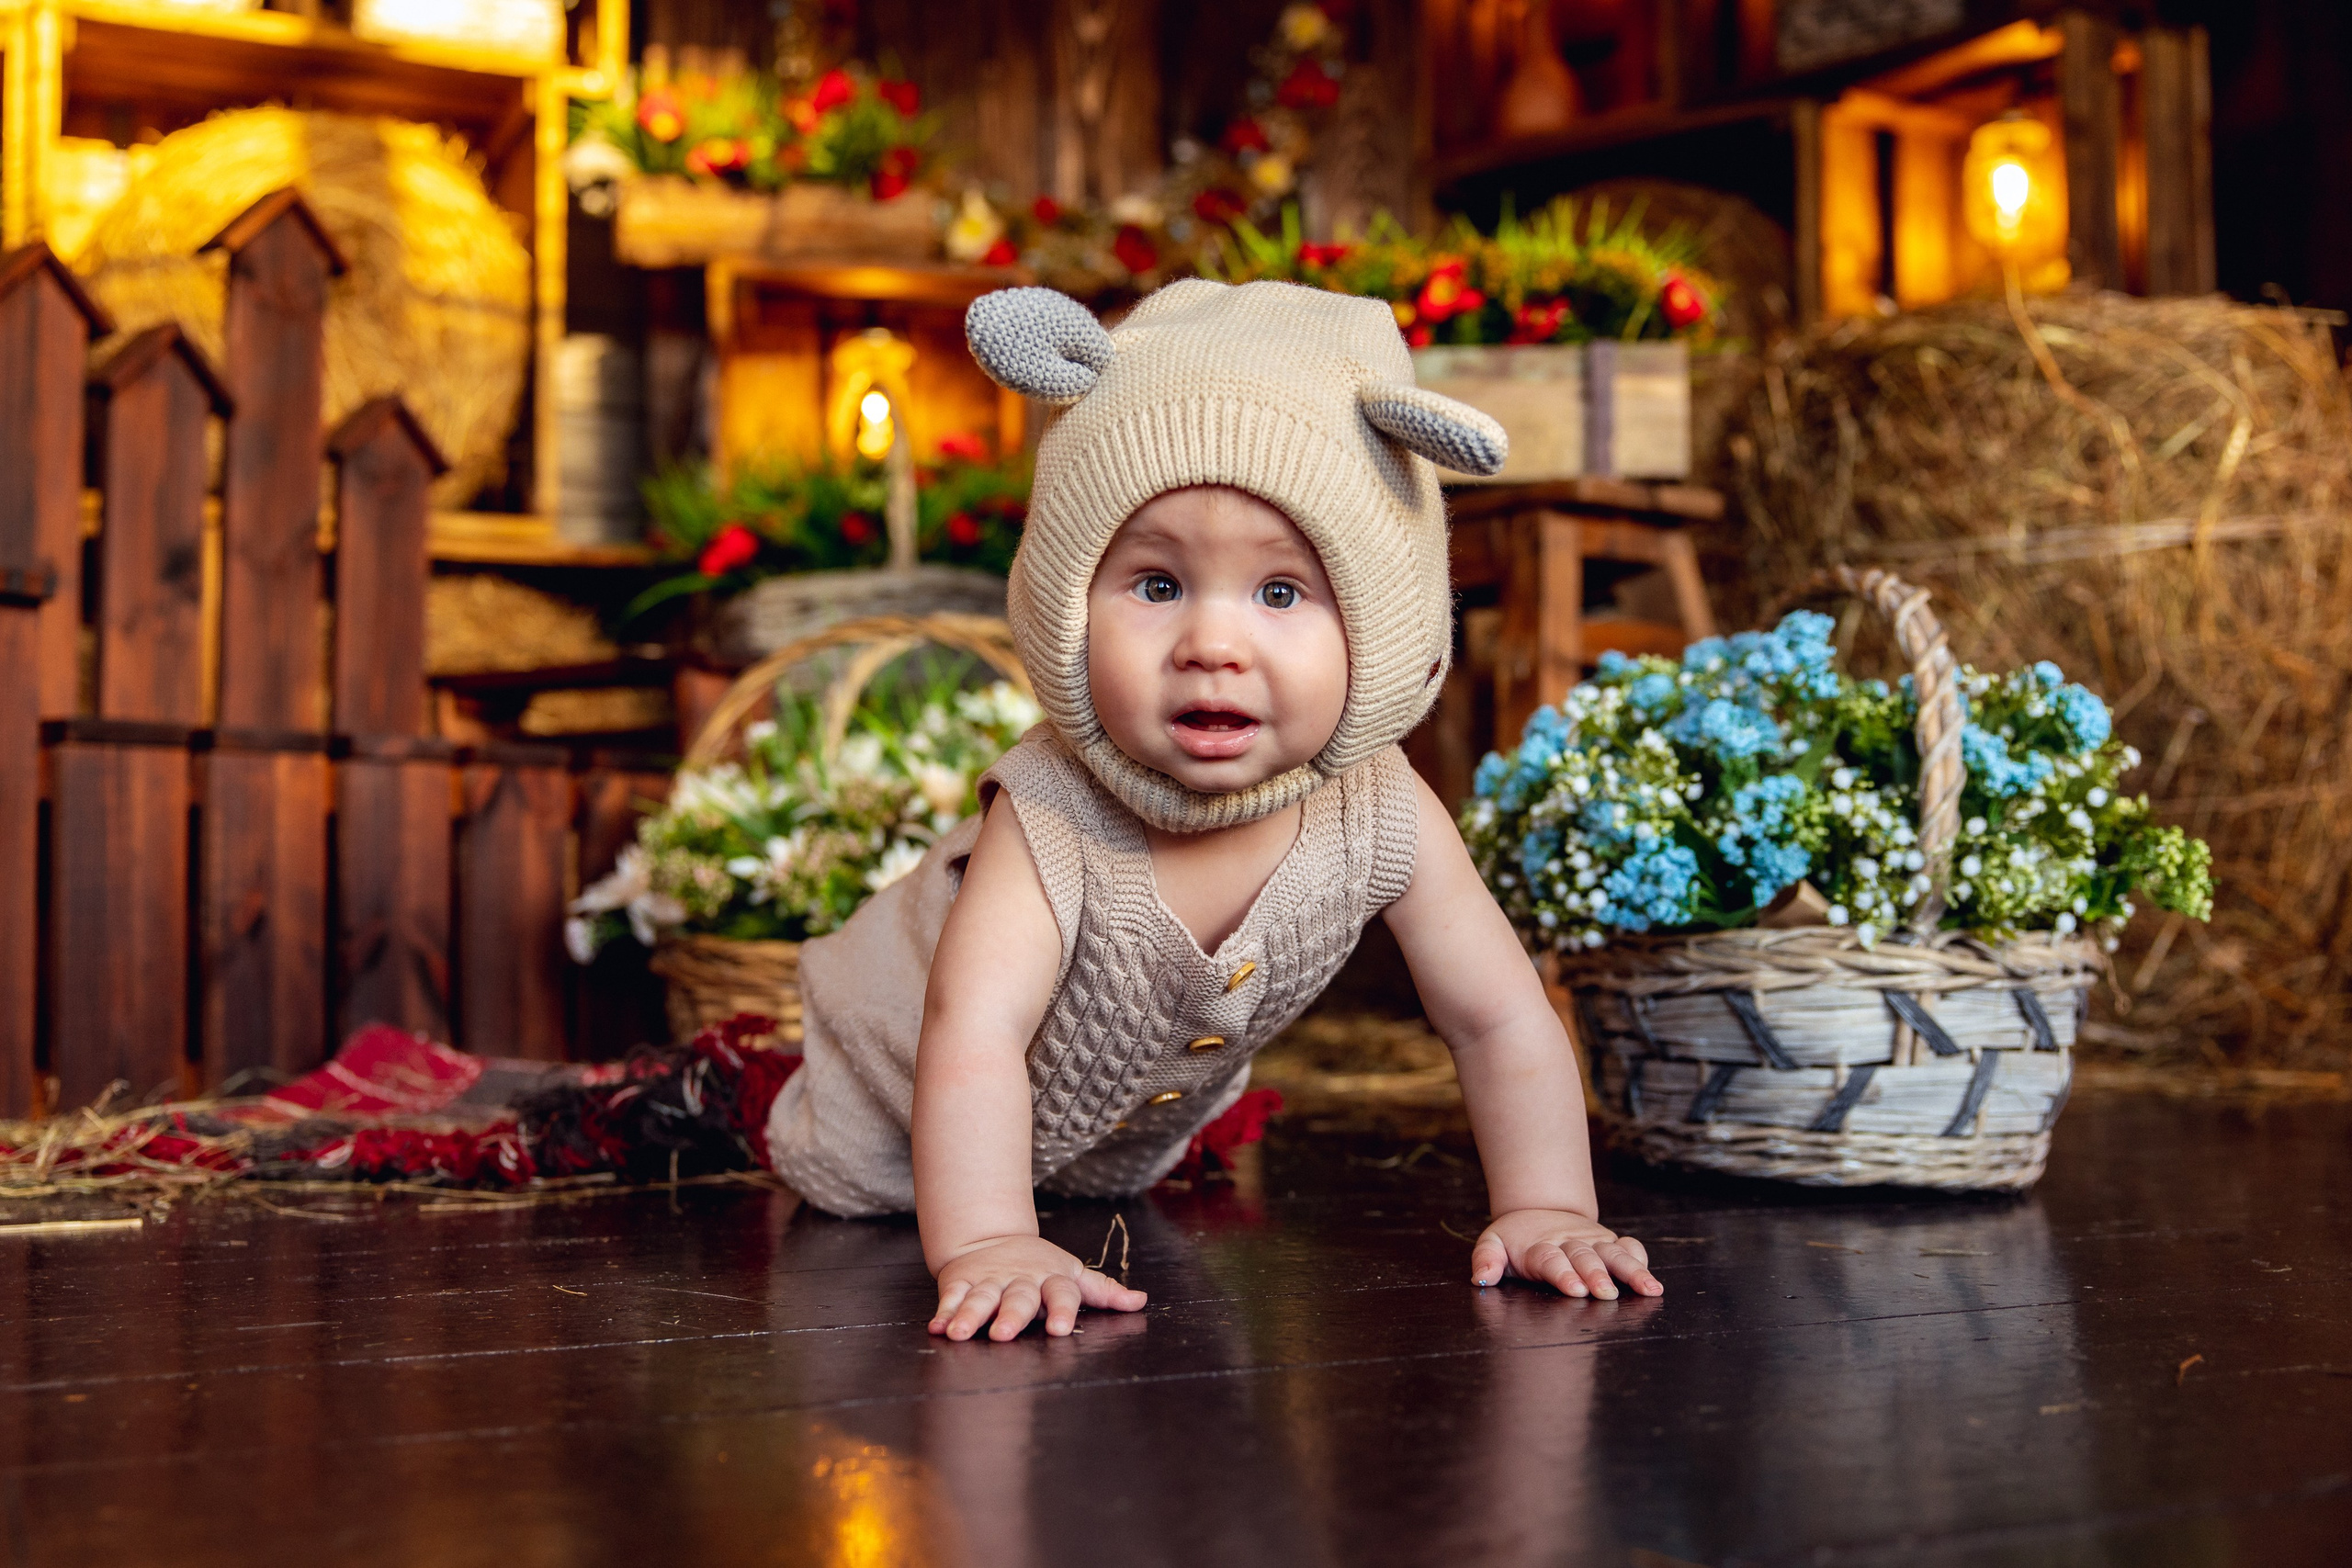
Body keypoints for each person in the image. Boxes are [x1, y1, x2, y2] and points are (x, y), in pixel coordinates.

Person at [762, 278, 1663, 1341]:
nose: (1212, 646)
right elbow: (975, 1031)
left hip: (1101, 1166)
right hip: (887, 1133)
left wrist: (1549, 1207)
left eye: (1280, 593)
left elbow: (1497, 1016)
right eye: (1156, 585)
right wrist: (990, 1239)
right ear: (1064, 608)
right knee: (853, 1220)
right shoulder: (1050, 813)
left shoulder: (1384, 809)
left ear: (1382, 626)